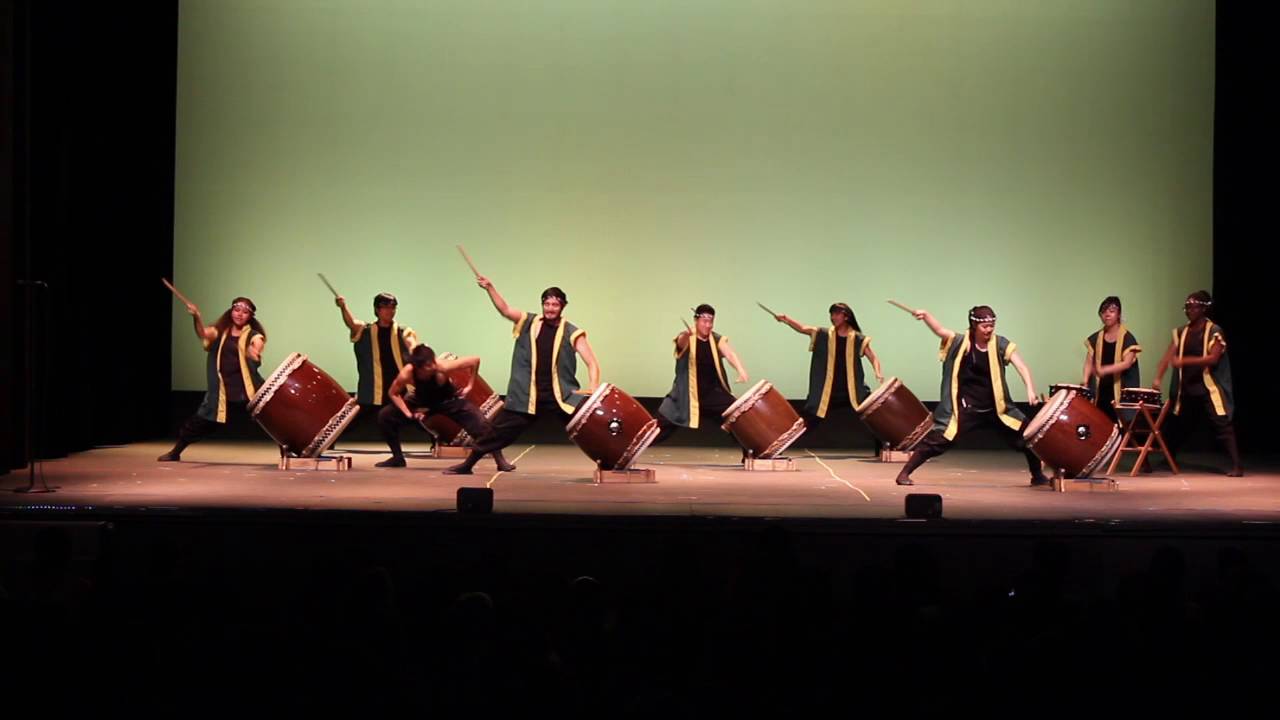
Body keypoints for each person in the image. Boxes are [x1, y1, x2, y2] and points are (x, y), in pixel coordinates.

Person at [442, 277, 601, 475]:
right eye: (547, 303)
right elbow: (505, 310)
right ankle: (468, 465)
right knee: (497, 432)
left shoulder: (572, 332)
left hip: (560, 396)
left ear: (562, 306)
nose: (550, 308)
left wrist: (594, 387)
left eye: (555, 304)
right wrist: (490, 288)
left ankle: (609, 460)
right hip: (528, 396)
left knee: (591, 427)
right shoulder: (529, 322)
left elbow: (592, 363)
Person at [894, 305, 1049, 487]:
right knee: (940, 440)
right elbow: (941, 331)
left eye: (992, 325)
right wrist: (927, 315)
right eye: (985, 326)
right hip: (969, 408)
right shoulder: (962, 343)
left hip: (996, 408)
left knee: (1026, 435)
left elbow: (1021, 366)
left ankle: (1037, 475)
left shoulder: (1000, 344)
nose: (989, 329)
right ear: (974, 326)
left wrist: (1030, 389)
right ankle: (904, 473)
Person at [158, 297, 266, 461]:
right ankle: (176, 452)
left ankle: (286, 451)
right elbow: (202, 332)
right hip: (222, 391)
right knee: (199, 422)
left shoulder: (253, 335)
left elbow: (257, 343)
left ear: (250, 316)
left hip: (248, 390)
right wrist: (196, 316)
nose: (240, 314)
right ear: (231, 311)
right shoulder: (219, 331)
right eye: (237, 310)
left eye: (245, 312)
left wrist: (254, 351)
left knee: (271, 420)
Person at [374, 345, 512, 470]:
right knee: (385, 416)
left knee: (480, 423)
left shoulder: (442, 367)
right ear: (418, 367)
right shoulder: (407, 373)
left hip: (447, 401)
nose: (433, 366)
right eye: (428, 365)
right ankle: (397, 458)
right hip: (421, 401)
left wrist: (470, 386)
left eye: (433, 362)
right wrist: (408, 413)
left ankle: (500, 461)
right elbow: (393, 393)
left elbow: (475, 360)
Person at [1151, 290, 1242, 476]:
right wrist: (1158, 378)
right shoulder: (1181, 332)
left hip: (1208, 386)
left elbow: (1213, 358)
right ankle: (1168, 458)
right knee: (1177, 425)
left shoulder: (1214, 331)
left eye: (1193, 306)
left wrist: (1184, 361)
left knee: (1222, 425)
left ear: (1204, 308)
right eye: (1187, 306)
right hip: (1186, 387)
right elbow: (1168, 357)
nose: (1189, 310)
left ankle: (1237, 465)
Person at [775, 302, 883, 452]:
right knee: (810, 419)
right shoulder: (823, 334)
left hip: (852, 390)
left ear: (846, 317)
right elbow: (803, 328)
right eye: (831, 314)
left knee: (873, 415)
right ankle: (779, 444)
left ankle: (883, 446)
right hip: (828, 390)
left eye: (837, 314)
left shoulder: (857, 338)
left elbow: (874, 358)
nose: (833, 317)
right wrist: (787, 319)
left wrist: (878, 372)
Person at [652, 304, 750, 447]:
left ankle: (751, 451)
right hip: (686, 395)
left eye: (711, 322)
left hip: (713, 394)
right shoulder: (687, 338)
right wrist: (686, 335)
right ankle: (630, 449)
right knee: (661, 427)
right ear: (696, 320)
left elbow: (729, 353)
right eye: (704, 321)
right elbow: (681, 341)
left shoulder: (717, 339)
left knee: (737, 417)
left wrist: (741, 370)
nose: (708, 325)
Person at [335, 292, 419, 409]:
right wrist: (343, 307)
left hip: (402, 392)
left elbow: (413, 346)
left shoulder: (403, 331)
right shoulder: (365, 331)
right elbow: (352, 323)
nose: (390, 311)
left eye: (393, 307)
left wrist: (416, 352)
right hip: (372, 394)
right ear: (377, 310)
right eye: (386, 307)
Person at [1082, 295, 1142, 423]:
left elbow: (1126, 363)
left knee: (1118, 423)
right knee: (1098, 422)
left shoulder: (1127, 338)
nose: (1107, 315)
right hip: (1101, 390)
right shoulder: (1096, 338)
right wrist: (1085, 381)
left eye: (1111, 311)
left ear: (1119, 314)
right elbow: (1088, 362)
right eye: (1104, 312)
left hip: (1120, 389)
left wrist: (1105, 369)